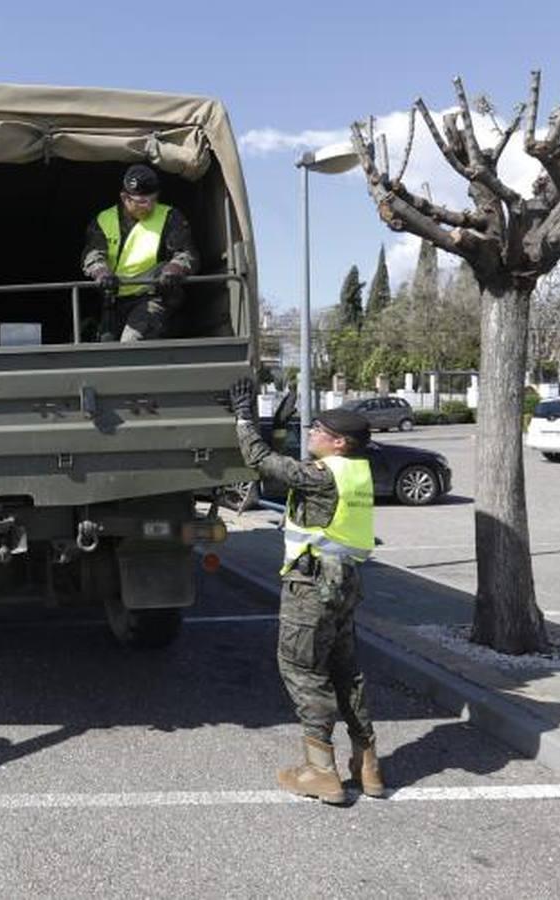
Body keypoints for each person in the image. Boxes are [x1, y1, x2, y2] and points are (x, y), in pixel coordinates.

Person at [226, 377, 384, 804]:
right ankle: (367, 766)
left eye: (318, 430)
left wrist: (244, 418)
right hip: (345, 581)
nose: (311, 433)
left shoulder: (322, 476)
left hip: (312, 585)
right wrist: (274, 422)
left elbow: (261, 462)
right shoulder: (354, 471)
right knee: (344, 670)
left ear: (340, 443)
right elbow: (282, 465)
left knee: (302, 669)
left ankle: (320, 772)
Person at [81, 164, 197, 342]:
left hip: (152, 297)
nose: (149, 206)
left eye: (154, 199)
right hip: (113, 299)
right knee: (105, 345)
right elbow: (92, 255)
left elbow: (186, 254)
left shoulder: (170, 216)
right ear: (124, 198)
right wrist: (102, 273)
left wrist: (174, 269)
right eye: (142, 202)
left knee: (131, 342)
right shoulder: (104, 220)